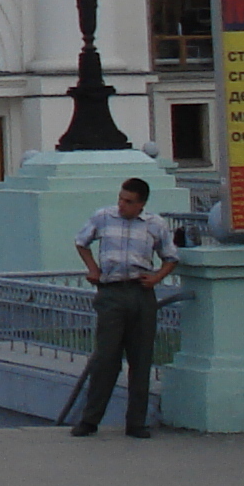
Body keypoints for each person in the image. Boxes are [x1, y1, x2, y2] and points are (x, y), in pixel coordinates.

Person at [71, 177, 181, 438]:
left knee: (141, 359)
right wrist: (93, 270)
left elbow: (171, 257)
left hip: (141, 293)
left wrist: (156, 278)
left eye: (129, 201)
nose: (122, 205)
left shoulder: (155, 225)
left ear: (141, 204)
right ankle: (90, 419)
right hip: (111, 292)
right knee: (105, 358)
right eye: (121, 198)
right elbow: (81, 241)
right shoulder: (104, 217)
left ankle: (136, 422)